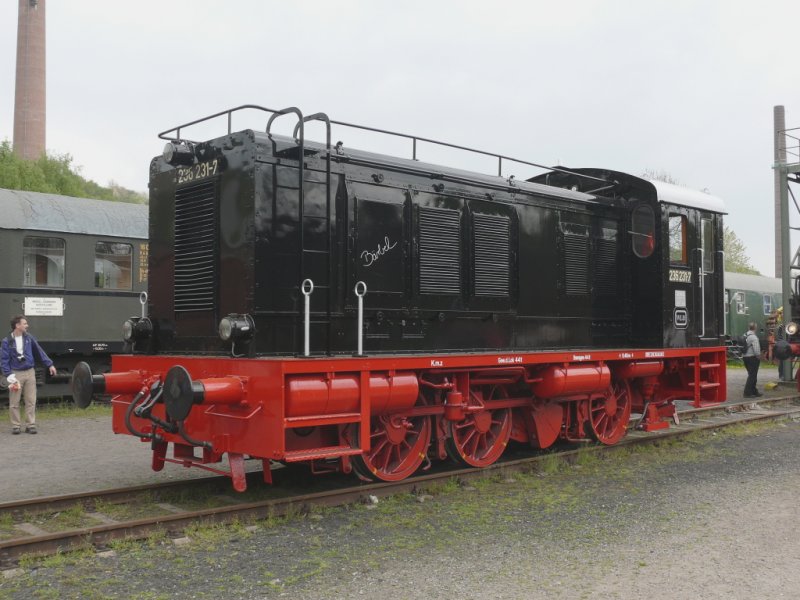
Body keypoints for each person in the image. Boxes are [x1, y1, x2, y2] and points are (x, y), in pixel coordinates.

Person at [0, 316, 57, 434]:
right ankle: (16, 426)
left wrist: (50, 364)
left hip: (30, 372)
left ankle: (30, 425)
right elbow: (4, 360)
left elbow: (39, 351)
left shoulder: (29, 338)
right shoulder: (7, 341)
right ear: (17, 326)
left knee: (31, 400)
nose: (27, 326)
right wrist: (8, 374)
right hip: (15, 374)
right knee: (14, 402)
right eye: (25, 323)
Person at [742, 321, 762, 398]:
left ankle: (754, 391)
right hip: (752, 358)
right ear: (755, 328)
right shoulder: (754, 337)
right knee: (752, 376)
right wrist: (759, 356)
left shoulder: (745, 335)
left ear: (749, 327)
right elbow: (756, 349)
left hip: (745, 357)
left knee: (752, 375)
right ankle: (747, 393)